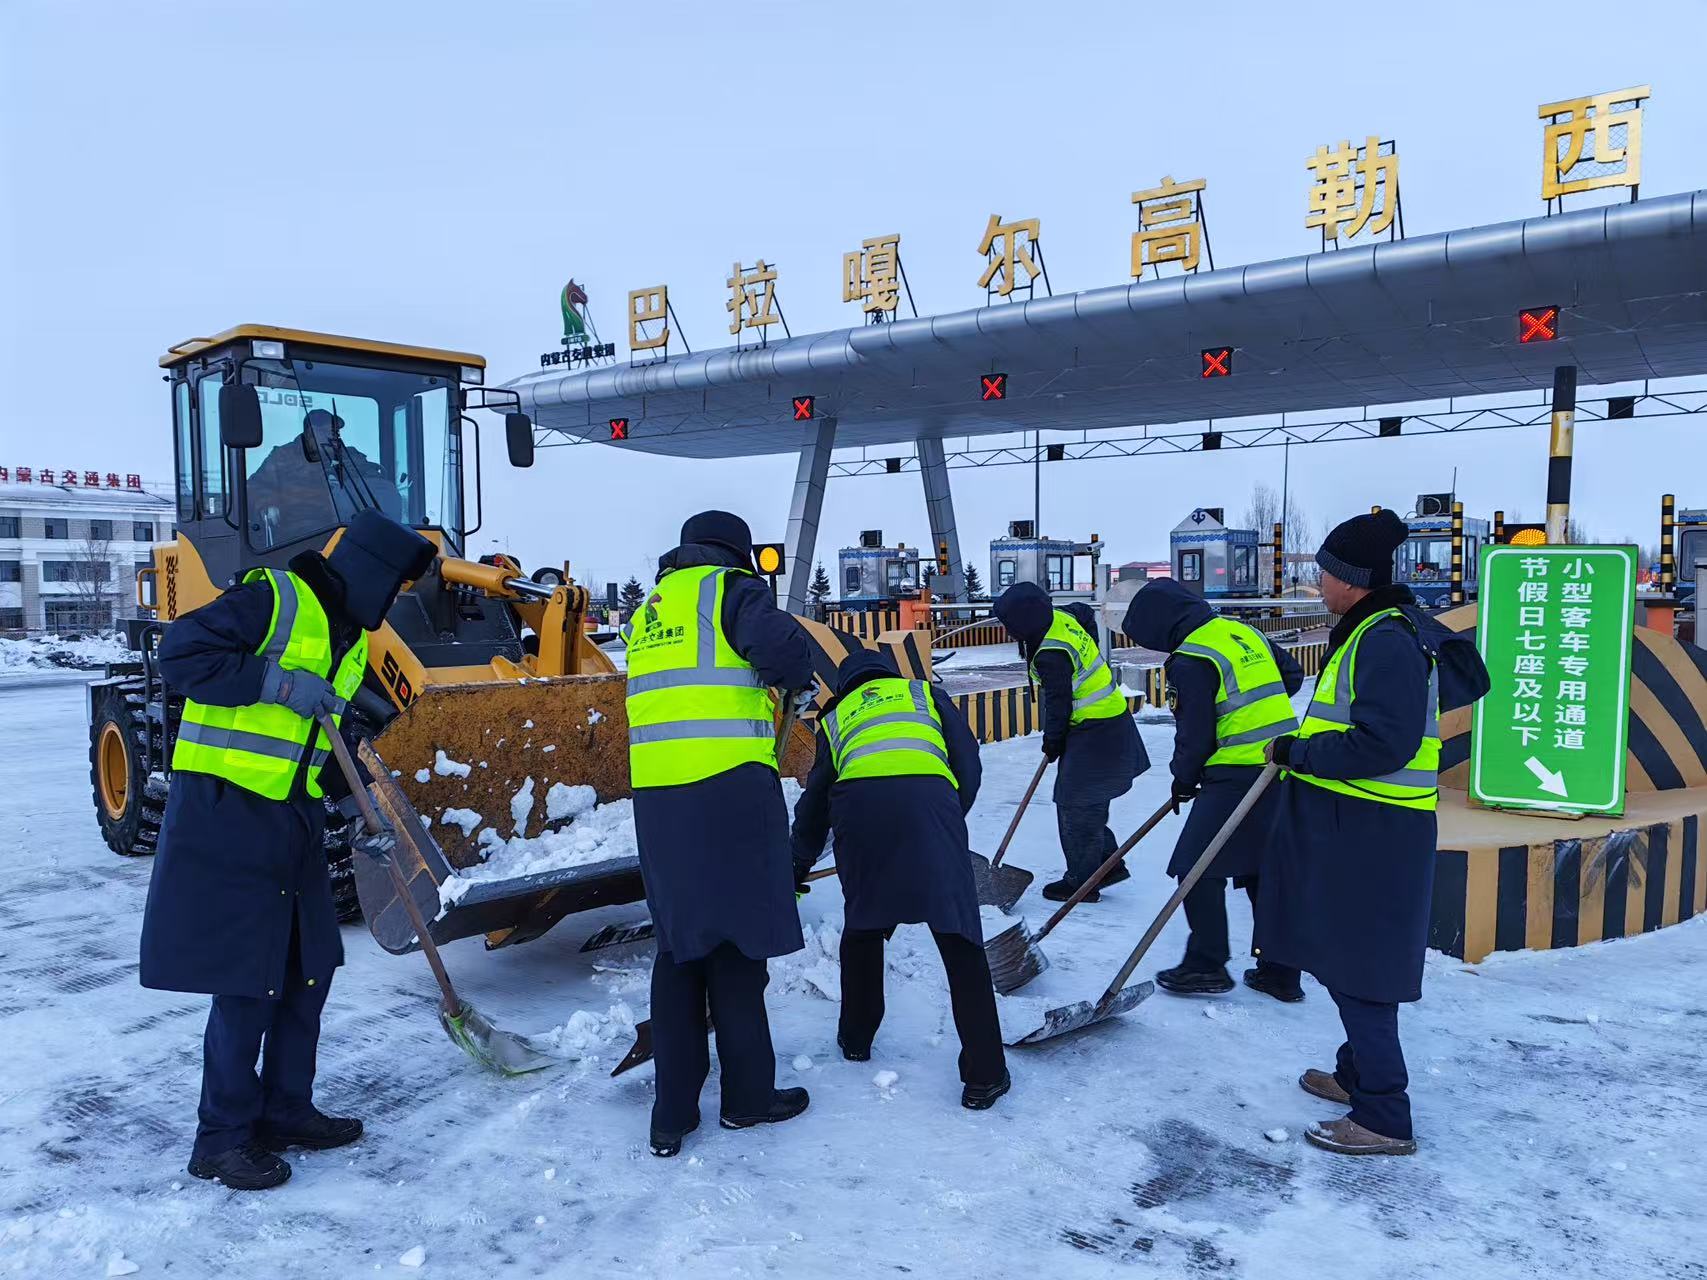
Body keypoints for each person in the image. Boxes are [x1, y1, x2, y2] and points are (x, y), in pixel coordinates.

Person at [141, 509, 437, 1190]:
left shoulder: (350, 641)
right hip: (227, 810)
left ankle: (285, 1109)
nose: (393, 601)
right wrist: (276, 683)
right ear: (368, 572)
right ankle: (220, 1139)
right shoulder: (272, 599)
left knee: (309, 968)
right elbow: (181, 653)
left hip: (292, 816)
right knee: (249, 981)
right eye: (393, 586)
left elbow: (324, 741)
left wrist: (359, 811)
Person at [1256, 509, 1487, 1156]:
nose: (1319, 585)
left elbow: (1382, 744)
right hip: (1356, 822)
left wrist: (1297, 753)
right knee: (1346, 957)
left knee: (1361, 969)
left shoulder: (1383, 640)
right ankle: (1356, 1073)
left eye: (1324, 574)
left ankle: (1383, 1114)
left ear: (1351, 579)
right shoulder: (1374, 630)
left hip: (1372, 828)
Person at [625, 510, 817, 1158]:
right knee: (736, 946)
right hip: (728, 789)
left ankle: (671, 1114)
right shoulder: (730, 589)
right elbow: (785, 651)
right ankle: (747, 1098)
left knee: (680, 949)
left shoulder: (650, 610)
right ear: (737, 552)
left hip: (657, 798)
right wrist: (796, 681)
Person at [791, 649, 1010, 1109]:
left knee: (863, 929)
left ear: (846, 686)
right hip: (931, 807)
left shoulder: (837, 717)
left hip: (861, 817)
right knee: (961, 942)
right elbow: (967, 762)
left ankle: (856, 1038)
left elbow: (815, 801)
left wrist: (798, 862)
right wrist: (947, 815)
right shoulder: (924, 695)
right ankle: (985, 1076)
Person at [1121, 577, 1305, 1001]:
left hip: (1237, 772)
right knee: (1262, 869)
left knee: (1195, 865)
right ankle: (1280, 972)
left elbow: (1195, 734)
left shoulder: (1192, 658)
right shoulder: (1241, 631)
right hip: (1282, 766)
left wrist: (1183, 779)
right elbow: (1291, 676)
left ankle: (1207, 963)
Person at [992, 583, 1149, 902]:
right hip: (1104, 722)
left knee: (1077, 804)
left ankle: (1083, 881)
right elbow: (1083, 611)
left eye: (1010, 625)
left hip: (1097, 730)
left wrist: (1053, 741)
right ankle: (1105, 866)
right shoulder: (1061, 617)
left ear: (1026, 621)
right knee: (1084, 801)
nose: (1007, 631)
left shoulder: (1052, 653)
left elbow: (1059, 702)